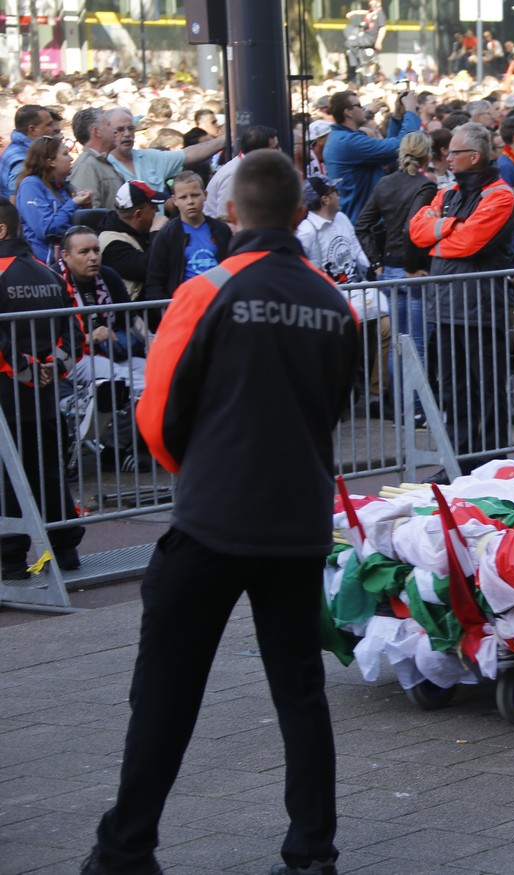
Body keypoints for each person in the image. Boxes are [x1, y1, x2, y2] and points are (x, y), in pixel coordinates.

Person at [81, 150, 358, 875]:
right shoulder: (335, 303)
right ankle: (312, 853)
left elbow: (157, 414)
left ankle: (126, 849)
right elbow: (333, 407)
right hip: (297, 518)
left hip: (213, 517)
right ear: (298, 214)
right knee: (300, 689)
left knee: (165, 692)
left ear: (230, 213)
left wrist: (202, 471)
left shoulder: (206, 290)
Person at [407, 122, 514, 456]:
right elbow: (416, 230)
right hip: (445, 305)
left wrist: (437, 237)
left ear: (474, 156)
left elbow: (469, 243)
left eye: (454, 152)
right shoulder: (449, 192)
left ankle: (490, 461)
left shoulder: (500, 195)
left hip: (480, 308)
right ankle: (459, 461)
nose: (447, 157)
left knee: (487, 390)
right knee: (453, 390)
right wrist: (451, 226)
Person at [0, 197, 86, 580]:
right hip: (46, 397)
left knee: (8, 479)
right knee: (50, 470)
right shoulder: (49, 272)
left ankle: (11, 562)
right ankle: (66, 549)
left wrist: (26, 370)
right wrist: (52, 366)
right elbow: (76, 332)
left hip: (8, 396)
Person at [354, 131, 436, 422]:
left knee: (399, 345)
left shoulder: (386, 183)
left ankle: (402, 409)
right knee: (416, 345)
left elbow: (362, 224)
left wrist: (377, 262)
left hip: (390, 269)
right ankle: (416, 411)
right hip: (412, 270)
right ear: (426, 155)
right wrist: (411, 267)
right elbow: (410, 229)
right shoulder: (425, 186)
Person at [297, 176, 390, 417]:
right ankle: (341, 394)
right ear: (325, 199)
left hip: (357, 292)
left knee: (386, 328)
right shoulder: (306, 233)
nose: (339, 195)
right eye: (334, 191)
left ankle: (376, 394)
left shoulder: (342, 218)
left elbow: (355, 248)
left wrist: (373, 266)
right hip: (330, 301)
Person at [59, 225, 146, 473]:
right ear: (66, 256)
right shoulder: (54, 280)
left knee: (159, 376)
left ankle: (120, 446)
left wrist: (152, 342)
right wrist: (88, 337)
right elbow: (51, 336)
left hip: (113, 351)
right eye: (84, 252)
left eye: (96, 250)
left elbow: (130, 317)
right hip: (75, 356)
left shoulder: (108, 275)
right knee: (134, 384)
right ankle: (114, 450)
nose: (93, 257)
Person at [324, 89, 421, 222]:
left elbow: (389, 152)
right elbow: (402, 145)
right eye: (359, 105)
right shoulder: (348, 142)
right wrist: (411, 110)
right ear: (348, 112)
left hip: (363, 220)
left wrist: (398, 116)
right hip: (362, 223)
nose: (364, 109)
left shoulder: (342, 137)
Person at [143, 170, 232, 302]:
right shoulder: (166, 235)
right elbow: (155, 281)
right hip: (185, 305)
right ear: (175, 200)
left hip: (219, 303)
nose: (190, 201)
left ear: (205, 195)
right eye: (183, 197)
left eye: (195, 195)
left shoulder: (221, 230)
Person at [102, 108, 226, 193]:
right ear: (106, 131)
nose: (127, 134)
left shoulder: (150, 157)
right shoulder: (102, 166)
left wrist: (226, 139)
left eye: (130, 128)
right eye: (120, 129)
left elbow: (189, 154)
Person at [15, 134, 94, 265]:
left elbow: (78, 230)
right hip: (45, 266)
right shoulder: (30, 185)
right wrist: (73, 204)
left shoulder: (66, 187)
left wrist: (86, 209)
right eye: (65, 154)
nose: (71, 158)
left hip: (71, 263)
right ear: (50, 161)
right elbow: (47, 229)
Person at [99, 182, 167, 300]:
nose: (156, 210)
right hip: (135, 310)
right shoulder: (111, 244)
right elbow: (151, 268)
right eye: (152, 207)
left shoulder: (140, 229)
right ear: (138, 214)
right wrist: (156, 233)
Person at [203, 124, 279, 222]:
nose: (279, 152)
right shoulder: (233, 175)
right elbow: (226, 219)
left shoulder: (252, 167)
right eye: (275, 148)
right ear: (259, 153)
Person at [69, 107, 124, 211]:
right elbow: (87, 214)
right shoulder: (86, 166)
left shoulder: (102, 163)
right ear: (96, 131)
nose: (115, 130)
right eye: (108, 125)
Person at [0, 105, 60, 198]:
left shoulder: (18, 148)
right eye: (49, 125)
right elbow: (16, 199)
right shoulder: (24, 160)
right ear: (32, 130)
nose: (54, 129)